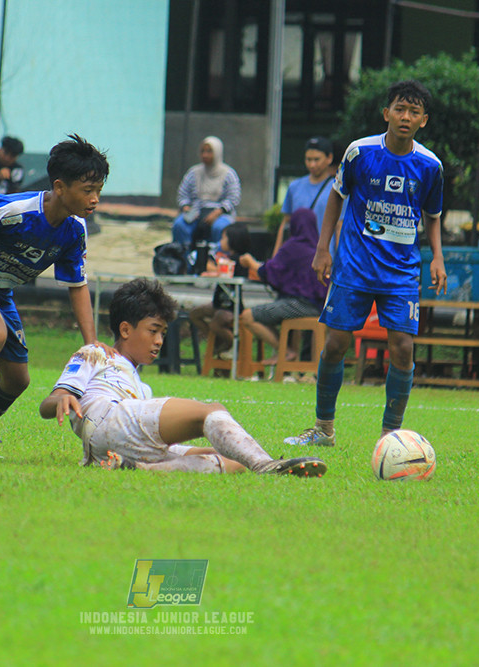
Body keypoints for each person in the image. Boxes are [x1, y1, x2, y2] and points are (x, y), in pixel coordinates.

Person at [284, 79, 447, 447]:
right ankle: (323, 428)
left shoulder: (430, 165)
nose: (406, 117)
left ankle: (391, 436)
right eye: (400, 109)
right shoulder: (360, 152)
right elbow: (336, 198)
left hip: (402, 271)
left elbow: (433, 215)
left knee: (403, 346)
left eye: (414, 112)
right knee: (338, 342)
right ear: (386, 113)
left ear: (424, 120)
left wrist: (437, 257)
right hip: (354, 265)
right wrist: (323, 248)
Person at [0, 134, 110, 461]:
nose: (95, 198)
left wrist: (90, 343)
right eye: (88, 190)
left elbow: (77, 284)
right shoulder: (14, 209)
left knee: (17, 379)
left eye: (99, 190)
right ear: (59, 187)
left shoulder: (74, 230)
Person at [40, 277, 327, 477]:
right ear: (125, 330)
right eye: (153, 330)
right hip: (110, 419)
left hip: (111, 448)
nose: (159, 341)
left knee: (233, 461)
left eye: (163, 333)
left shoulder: (141, 388)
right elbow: (47, 405)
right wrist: (64, 396)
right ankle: (266, 466)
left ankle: (139, 469)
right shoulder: (96, 353)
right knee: (212, 411)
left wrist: (229, 449)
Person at [238, 208, 326, 359]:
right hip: (319, 308)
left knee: (247, 317)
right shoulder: (319, 249)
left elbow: (268, 272)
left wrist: (250, 262)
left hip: (302, 305)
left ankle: (286, 351)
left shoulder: (293, 247)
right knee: (274, 312)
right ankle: (288, 356)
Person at [187, 222, 252, 357]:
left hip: (232, 306)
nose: (220, 241)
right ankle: (217, 342)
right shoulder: (226, 258)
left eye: (223, 238)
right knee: (195, 314)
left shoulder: (240, 260)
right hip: (219, 303)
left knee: (217, 322)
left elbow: (224, 272)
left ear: (233, 240)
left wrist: (210, 268)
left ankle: (235, 346)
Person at [171, 136, 241, 246]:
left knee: (220, 228)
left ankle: (215, 258)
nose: (205, 155)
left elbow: (233, 198)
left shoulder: (228, 174)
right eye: (202, 151)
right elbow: (183, 194)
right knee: (179, 225)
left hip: (220, 214)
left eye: (209, 151)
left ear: (217, 152)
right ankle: (184, 258)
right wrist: (186, 208)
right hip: (196, 213)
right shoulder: (193, 173)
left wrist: (217, 212)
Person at [272, 136, 336, 254]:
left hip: (324, 260)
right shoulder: (294, 187)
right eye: (308, 159)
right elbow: (285, 223)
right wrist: (275, 258)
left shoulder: (337, 189)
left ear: (329, 158)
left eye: (317, 159)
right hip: (296, 258)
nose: (312, 165)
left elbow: (340, 227)